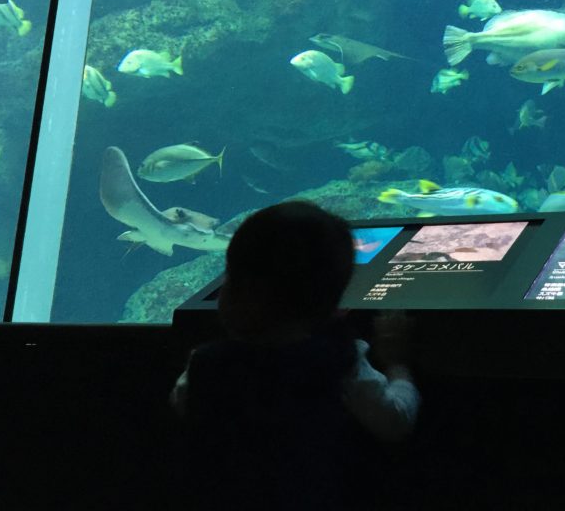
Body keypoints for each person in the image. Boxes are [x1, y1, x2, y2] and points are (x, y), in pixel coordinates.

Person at [170, 201, 420, 510]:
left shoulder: (203, 366)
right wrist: (397, 364)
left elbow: (184, 405)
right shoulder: (341, 361)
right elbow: (395, 420)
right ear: (335, 306)